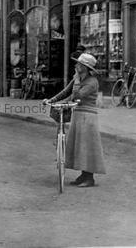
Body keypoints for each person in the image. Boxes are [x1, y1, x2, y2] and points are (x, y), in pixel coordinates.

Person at [42, 52, 106, 187]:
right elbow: (66, 91)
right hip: (77, 114)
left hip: (88, 117)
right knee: (79, 146)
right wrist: (51, 100)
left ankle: (89, 178)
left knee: (87, 146)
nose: (76, 65)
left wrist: (76, 82)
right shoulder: (77, 78)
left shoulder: (92, 82)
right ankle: (83, 175)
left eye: (79, 63)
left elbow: (77, 97)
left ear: (84, 67)